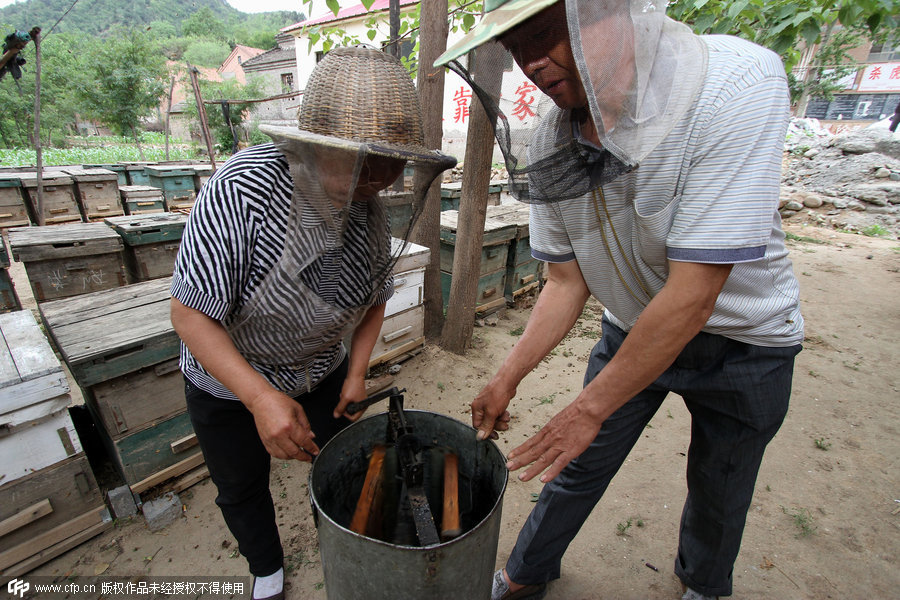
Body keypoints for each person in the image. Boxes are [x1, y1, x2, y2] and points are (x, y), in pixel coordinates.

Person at [434, 1, 804, 599]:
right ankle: (526, 573)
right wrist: (506, 378)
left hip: (745, 343)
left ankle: (703, 586)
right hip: (633, 328)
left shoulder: (735, 82)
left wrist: (586, 409)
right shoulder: (553, 133)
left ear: (615, 12)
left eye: (547, 34)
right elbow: (564, 281)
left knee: (720, 481)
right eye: (514, 47)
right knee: (575, 463)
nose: (531, 62)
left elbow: (694, 292)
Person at [170, 47, 455, 600]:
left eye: (390, 163)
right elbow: (190, 313)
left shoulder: (368, 205)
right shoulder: (242, 190)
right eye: (360, 162)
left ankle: (353, 536)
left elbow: (375, 297)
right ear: (310, 146)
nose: (375, 178)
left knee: (345, 462)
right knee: (240, 485)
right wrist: (258, 398)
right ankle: (266, 570)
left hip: (323, 370)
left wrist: (355, 373)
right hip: (231, 379)